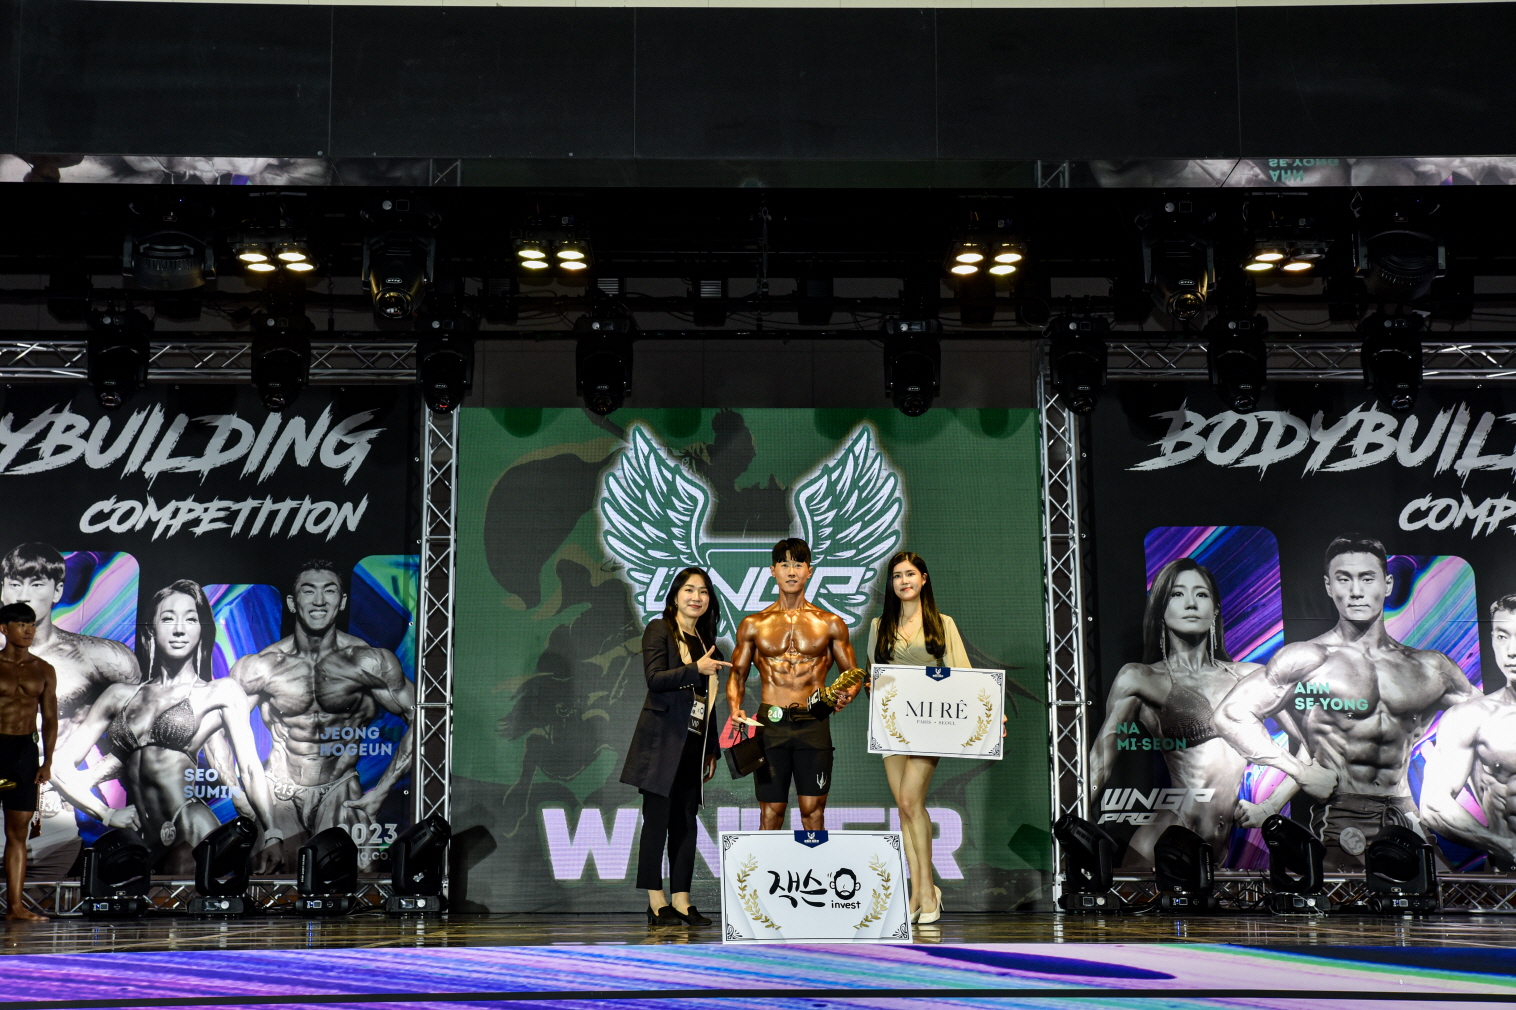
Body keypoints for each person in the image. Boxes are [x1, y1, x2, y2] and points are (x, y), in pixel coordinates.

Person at [1215, 535, 1476, 870]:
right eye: (1344, 579)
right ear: (1329, 586)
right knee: (1348, 904)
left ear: (1387, 584)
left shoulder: (1430, 666)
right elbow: (1230, 715)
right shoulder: (1308, 659)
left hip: (1406, 813)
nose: (1356, 591)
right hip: (1343, 816)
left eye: (1367, 579)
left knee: (1443, 895)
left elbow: (1490, 720)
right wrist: (1300, 772)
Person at [53, 581, 279, 874]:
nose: (179, 629)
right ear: (151, 629)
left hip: (191, 828)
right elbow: (59, 766)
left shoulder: (219, 692)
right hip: (146, 839)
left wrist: (273, 832)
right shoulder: (119, 695)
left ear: (201, 630)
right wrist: (106, 814)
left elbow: (249, 769)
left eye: (190, 619)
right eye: (168, 618)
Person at [230, 560, 414, 870]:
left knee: (352, 882)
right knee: (273, 887)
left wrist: (381, 791)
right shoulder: (261, 667)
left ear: (342, 601)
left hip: (339, 790)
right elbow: (218, 725)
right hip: (279, 792)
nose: (319, 601)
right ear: (293, 602)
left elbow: (422, 719)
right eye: (308, 591)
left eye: (329, 591)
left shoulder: (368, 662)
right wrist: (237, 790)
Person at [1088, 558, 1269, 868]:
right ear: (1162, 608)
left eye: (1201, 594)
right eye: (1177, 594)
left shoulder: (1249, 677)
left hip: (1228, 846)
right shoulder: (1141, 678)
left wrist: (1271, 804)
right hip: (1167, 839)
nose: (1190, 603)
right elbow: (1099, 764)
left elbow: (1310, 743)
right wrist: (1073, 822)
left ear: (1215, 609)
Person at [0, 544, 140, 879]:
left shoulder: (102, 659)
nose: (23, 594)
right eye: (15, 583)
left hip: (56, 815)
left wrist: (80, 782)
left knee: (45, 903)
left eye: (36, 583)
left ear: (58, 590)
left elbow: (138, 739)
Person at [727, 538, 863, 832]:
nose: (791, 572)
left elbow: (852, 673)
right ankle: (765, 865)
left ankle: (815, 864)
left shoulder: (830, 622)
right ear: (772, 571)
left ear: (809, 571)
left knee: (813, 813)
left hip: (813, 723)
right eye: (784, 564)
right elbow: (737, 675)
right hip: (770, 724)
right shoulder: (753, 624)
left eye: (798, 565)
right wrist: (735, 708)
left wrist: (847, 694)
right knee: (771, 814)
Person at [620, 567, 729, 927]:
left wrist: (711, 747)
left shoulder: (704, 639)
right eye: (689, 590)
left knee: (686, 822)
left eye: (703, 591)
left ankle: (682, 901)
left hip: (694, 742)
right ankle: (656, 901)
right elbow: (654, 679)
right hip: (662, 742)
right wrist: (696, 668)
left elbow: (707, 700)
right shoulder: (659, 629)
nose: (697, 597)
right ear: (675, 596)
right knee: (657, 822)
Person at [865, 551, 968, 925]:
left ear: (923, 579)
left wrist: (992, 713)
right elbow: (873, 675)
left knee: (910, 799)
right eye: (896, 576)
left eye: (910, 574)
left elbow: (965, 675)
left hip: (930, 723)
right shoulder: (879, 626)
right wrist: (872, 688)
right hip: (891, 725)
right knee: (905, 807)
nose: (903, 581)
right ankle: (921, 891)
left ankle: (925, 891)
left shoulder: (943, 624)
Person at [1419, 594, 1516, 868]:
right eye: (1502, 636)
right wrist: (1506, 846)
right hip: (1507, 876)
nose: (1511, 650)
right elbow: (1434, 805)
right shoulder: (1470, 717)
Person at [0, 603, 56, 921]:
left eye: (32, 624)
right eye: (21, 624)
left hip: (24, 754)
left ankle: (15, 907)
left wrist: (47, 762)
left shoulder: (43, 669)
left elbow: (50, 718)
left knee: (18, 833)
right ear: (4, 628)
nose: (29, 630)